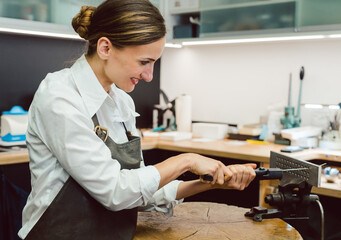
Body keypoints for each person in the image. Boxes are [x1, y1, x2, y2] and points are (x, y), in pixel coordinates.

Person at [18, 0, 256, 239]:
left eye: (154, 63)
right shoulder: (59, 97)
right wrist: (186, 160)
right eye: (144, 62)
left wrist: (210, 182)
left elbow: (140, 191)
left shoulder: (121, 102)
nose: (149, 76)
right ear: (105, 48)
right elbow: (115, 191)